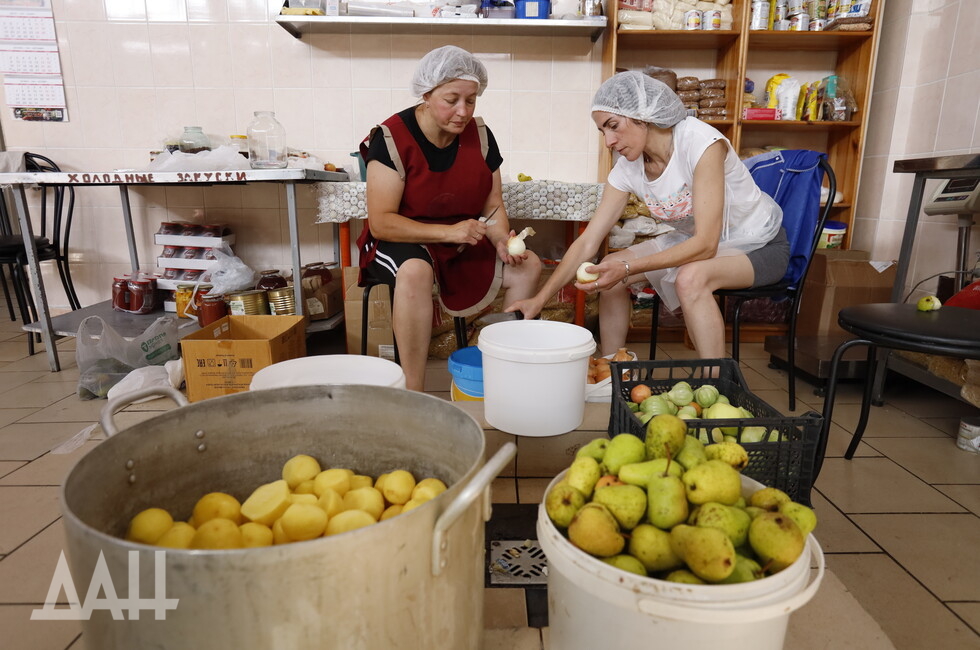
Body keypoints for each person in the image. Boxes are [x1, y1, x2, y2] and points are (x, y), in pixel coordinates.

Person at [508, 71, 788, 360]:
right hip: (702, 244)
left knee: (689, 278)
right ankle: (613, 367)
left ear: (642, 115)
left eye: (613, 126)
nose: (609, 141)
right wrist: (539, 299)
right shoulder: (627, 168)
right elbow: (588, 241)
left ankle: (716, 382)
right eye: (603, 131)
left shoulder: (700, 143)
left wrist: (630, 268)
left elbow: (706, 244)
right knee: (608, 267)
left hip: (761, 244)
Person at [357, 45, 542, 391]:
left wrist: (502, 239)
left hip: (461, 236)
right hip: (404, 239)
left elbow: (492, 204)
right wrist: (449, 232)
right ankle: (413, 388)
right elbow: (382, 221)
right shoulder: (391, 137)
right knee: (415, 271)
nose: (463, 112)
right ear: (426, 94)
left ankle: (489, 361)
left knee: (527, 264)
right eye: (452, 99)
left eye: (471, 100)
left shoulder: (482, 136)